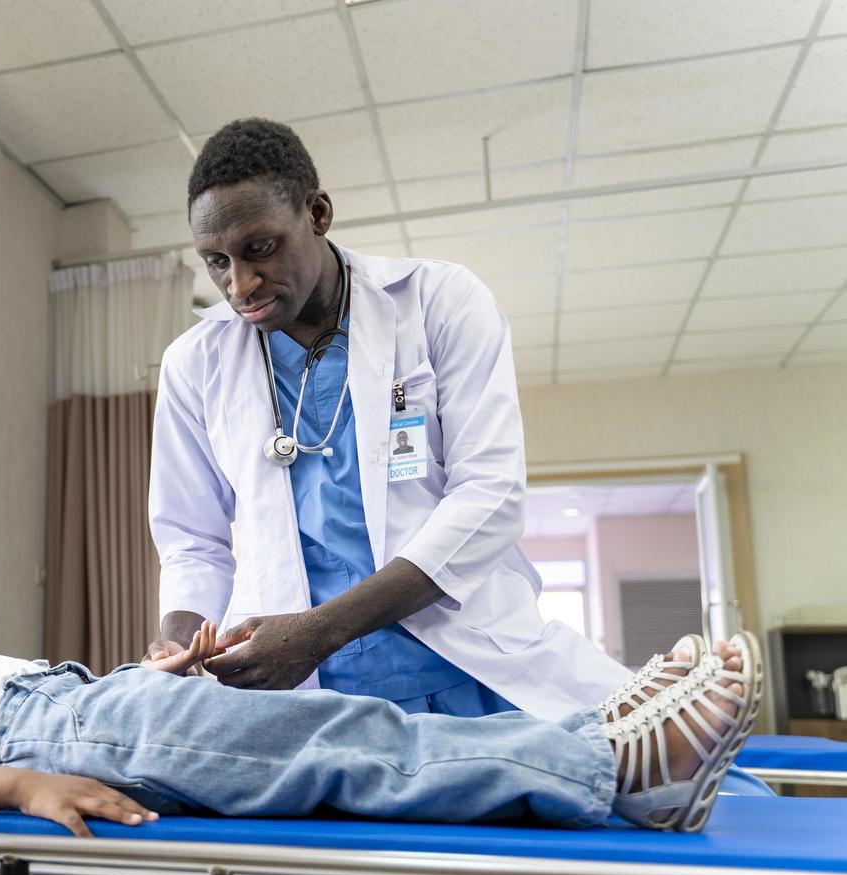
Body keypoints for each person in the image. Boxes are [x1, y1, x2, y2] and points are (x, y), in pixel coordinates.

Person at [147, 117, 634, 722]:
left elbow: (489, 496)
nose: (239, 284)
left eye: (260, 249)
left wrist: (322, 630)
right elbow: (192, 539)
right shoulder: (194, 363)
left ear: (317, 213)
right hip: (298, 690)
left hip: (461, 666)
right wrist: (179, 643)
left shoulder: (437, 301)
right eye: (216, 261)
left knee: (644, 782)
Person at [0, 631, 760, 837]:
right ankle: (611, 767)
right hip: (49, 733)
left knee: (314, 728)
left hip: (71, 705)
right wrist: (26, 785)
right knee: (328, 739)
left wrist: (128, 688)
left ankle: (590, 742)